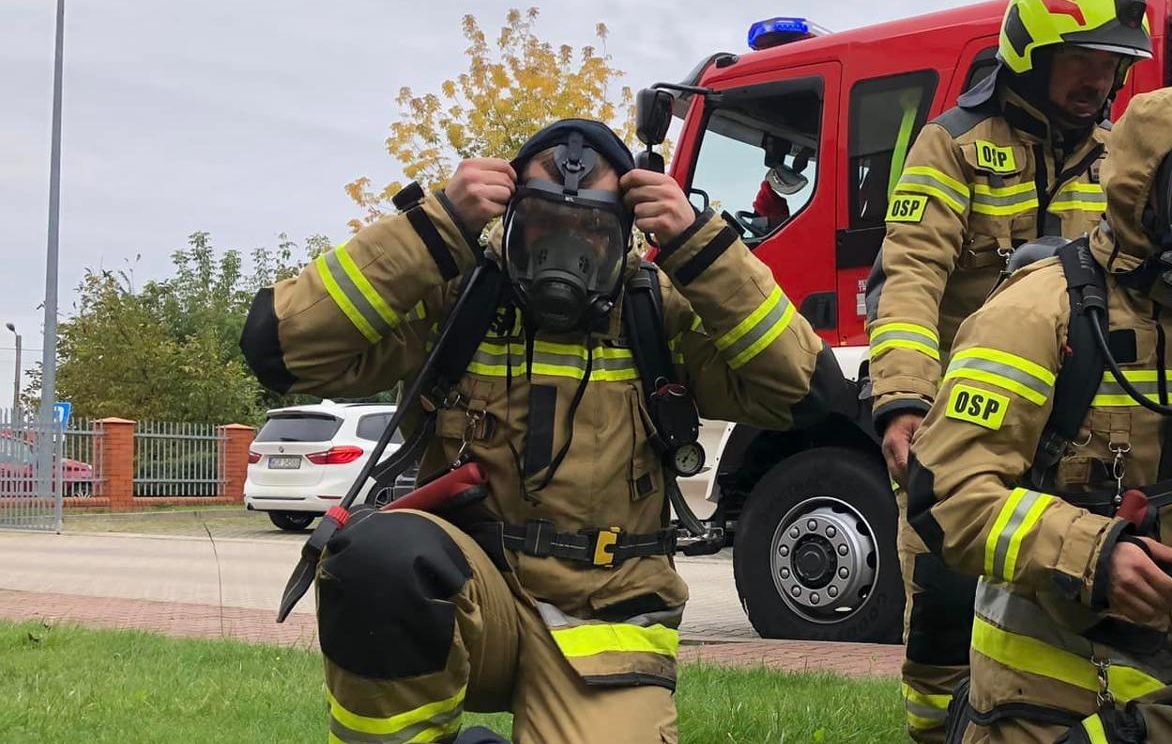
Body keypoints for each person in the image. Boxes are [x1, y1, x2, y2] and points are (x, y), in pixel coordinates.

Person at [240, 119, 842, 743]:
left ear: (625, 232)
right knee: (381, 561)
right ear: (509, 218)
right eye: (544, 225)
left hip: (605, 621)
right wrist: (436, 224)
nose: (565, 251)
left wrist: (702, 247)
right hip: (471, 598)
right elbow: (279, 350)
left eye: (590, 229)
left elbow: (809, 391)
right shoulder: (457, 299)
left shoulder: (656, 312)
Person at [906, 86, 1172, 743]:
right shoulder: (1039, 310)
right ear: (1144, 184)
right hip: (1045, 697)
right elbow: (948, 494)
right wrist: (1094, 555)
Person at [863, 0, 1159, 741]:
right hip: (969, 428)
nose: (1099, 80)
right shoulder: (952, 146)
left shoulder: (1121, 156)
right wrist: (901, 403)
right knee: (944, 624)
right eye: (1083, 60)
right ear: (1029, 52)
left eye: (1113, 64)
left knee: (1073, 621)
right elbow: (909, 279)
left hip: (1080, 437)